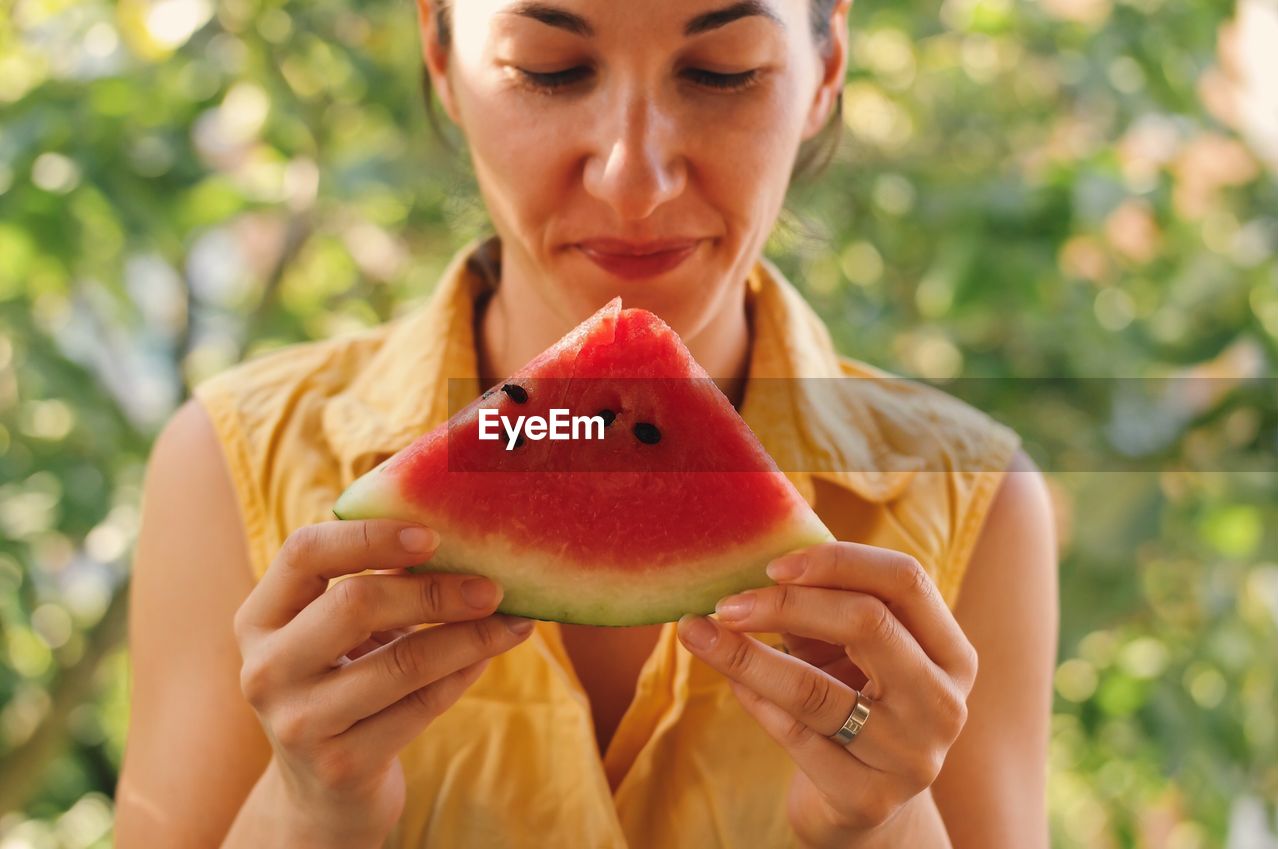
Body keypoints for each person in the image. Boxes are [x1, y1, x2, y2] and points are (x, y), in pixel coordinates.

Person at [114, 1, 1059, 847]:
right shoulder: (234, 459)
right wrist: (312, 810)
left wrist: (879, 827)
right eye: (549, 69)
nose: (634, 178)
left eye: (723, 71)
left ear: (828, 68)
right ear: (442, 59)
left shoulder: (973, 498)